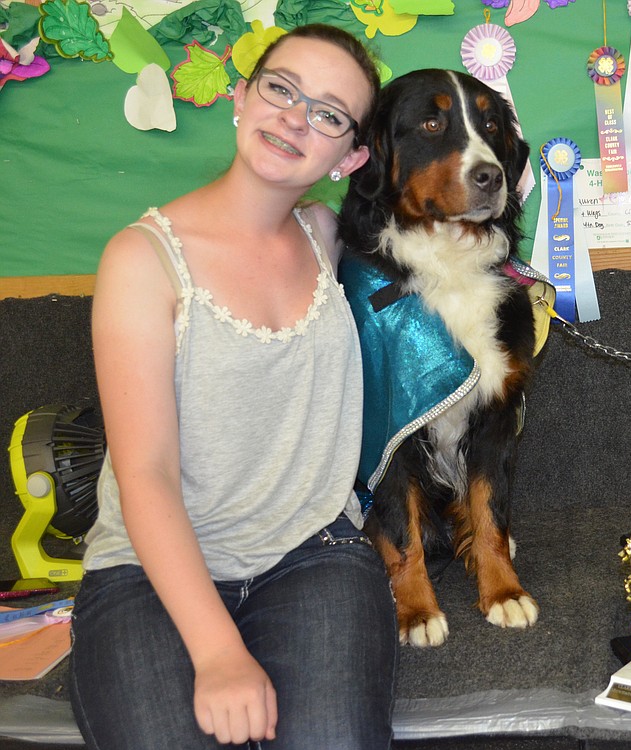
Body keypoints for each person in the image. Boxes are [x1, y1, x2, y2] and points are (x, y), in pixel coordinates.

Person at [69, 24, 398, 750]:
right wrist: (219, 654)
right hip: (146, 572)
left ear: (350, 156)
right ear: (242, 97)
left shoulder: (324, 231)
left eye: (328, 112)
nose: (294, 117)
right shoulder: (140, 259)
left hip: (311, 555)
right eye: (281, 89)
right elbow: (145, 473)